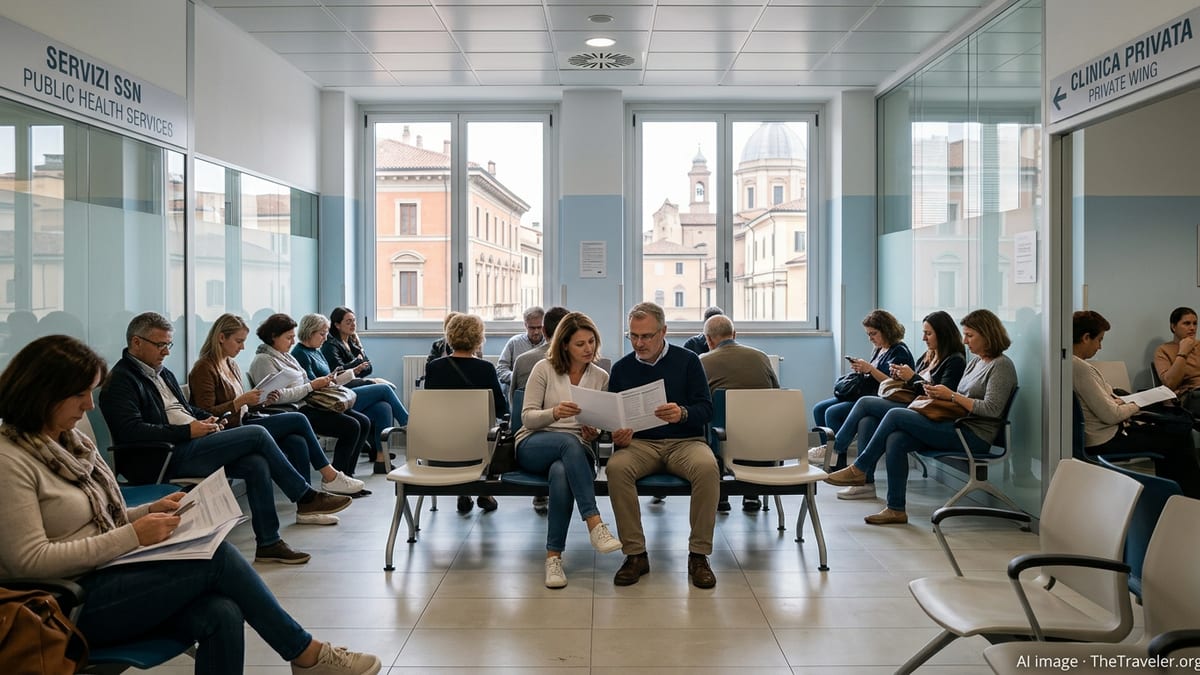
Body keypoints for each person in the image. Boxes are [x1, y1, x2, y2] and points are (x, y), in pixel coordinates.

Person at [0, 335, 381, 675]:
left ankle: (305, 653)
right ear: (42, 392)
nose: (89, 406)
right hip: (59, 605)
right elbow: (28, 563)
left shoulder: (72, 443)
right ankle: (306, 654)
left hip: (108, 571)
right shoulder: (10, 459)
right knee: (216, 557)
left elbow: (97, 517)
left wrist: (146, 513)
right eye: (80, 395)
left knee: (222, 612)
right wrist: (133, 535)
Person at [99, 312, 351, 564]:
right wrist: (188, 431)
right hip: (163, 455)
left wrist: (207, 421)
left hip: (191, 441)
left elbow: (188, 409)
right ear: (136, 342)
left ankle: (268, 543)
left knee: (256, 464)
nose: (166, 351)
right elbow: (132, 431)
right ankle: (306, 497)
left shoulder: (161, 373)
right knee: (258, 433)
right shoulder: (121, 381)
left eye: (168, 344)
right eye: (160, 345)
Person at [825, 309, 1017, 525]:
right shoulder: (976, 362)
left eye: (970, 336)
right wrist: (942, 393)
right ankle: (895, 509)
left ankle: (859, 468)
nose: (965, 341)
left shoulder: (1001, 366)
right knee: (896, 439)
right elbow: (959, 397)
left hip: (973, 434)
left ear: (988, 335)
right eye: (964, 335)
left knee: (895, 414)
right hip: (954, 424)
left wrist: (951, 395)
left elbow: (991, 409)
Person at [188, 313, 364, 498]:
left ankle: (307, 502)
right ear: (221, 338)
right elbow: (206, 414)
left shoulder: (230, 364)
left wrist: (262, 401)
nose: (243, 347)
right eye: (239, 341)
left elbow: (245, 405)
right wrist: (241, 401)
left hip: (247, 417)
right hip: (230, 428)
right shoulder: (204, 368)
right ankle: (329, 477)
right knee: (299, 418)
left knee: (297, 442)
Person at [606, 302, 719, 589]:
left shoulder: (689, 360)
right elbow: (612, 418)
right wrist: (615, 435)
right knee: (616, 468)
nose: (639, 343)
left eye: (646, 336)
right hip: (641, 444)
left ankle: (698, 555)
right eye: (633, 336)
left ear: (664, 332)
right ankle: (635, 554)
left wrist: (682, 413)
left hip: (685, 441)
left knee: (707, 468)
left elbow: (706, 410)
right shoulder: (621, 369)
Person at [516, 312, 622, 588]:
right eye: (580, 344)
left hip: (577, 450)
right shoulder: (544, 369)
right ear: (564, 345)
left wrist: (594, 431)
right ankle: (594, 523)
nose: (588, 349)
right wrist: (554, 413)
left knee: (562, 470)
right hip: (535, 442)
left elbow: (600, 426)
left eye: (591, 342)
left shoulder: (600, 376)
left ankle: (553, 558)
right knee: (567, 443)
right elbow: (527, 418)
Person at [815, 310, 966, 501]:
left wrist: (912, 377)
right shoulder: (928, 356)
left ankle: (836, 450)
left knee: (864, 403)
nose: (923, 338)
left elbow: (941, 396)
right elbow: (915, 386)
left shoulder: (954, 361)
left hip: (924, 411)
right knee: (866, 421)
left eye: (928, 333)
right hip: (913, 404)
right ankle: (864, 483)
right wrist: (903, 377)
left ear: (943, 334)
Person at [1075, 310, 1200, 497]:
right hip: (1106, 437)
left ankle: (1175, 497)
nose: (1100, 347)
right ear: (1086, 338)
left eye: (1194, 323)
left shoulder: (1075, 365)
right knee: (1179, 438)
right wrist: (1136, 404)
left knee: (1175, 433)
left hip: (1108, 430)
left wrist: (1121, 401)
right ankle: (1190, 498)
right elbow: (1112, 415)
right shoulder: (1081, 368)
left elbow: (1107, 401)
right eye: (1099, 340)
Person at [247, 314, 372, 479]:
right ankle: (338, 477)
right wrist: (312, 386)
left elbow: (305, 381)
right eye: (289, 337)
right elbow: (274, 397)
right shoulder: (264, 360)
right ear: (273, 337)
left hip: (308, 403)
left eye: (293, 337)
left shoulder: (286, 356)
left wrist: (322, 383)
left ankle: (347, 475)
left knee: (363, 421)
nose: (292, 342)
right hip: (294, 409)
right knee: (351, 426)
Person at [292, 313, 408, 473]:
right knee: (384, 389)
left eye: (326, 333)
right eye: (322, 334)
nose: (325, 338)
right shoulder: (301, 353)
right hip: (325, 401)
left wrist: (351, 372)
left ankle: (381, 461)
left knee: (383, 408)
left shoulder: (317, 351)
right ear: (309, 332)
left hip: (336, 393)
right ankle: (408, 425)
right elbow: (314, 385)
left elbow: (331, 379)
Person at [424, 313, 509, 514]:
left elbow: (430, 407)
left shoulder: (434, 368)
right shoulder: (486, 369)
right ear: (479, 339)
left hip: (439, 447)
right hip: (478, 449)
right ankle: (485, 492)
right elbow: (501, 409)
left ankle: (464, 491)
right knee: (501, 434)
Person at [699, 313, 779, 513]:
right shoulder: (761, 357)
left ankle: (721, 496)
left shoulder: (703, 361)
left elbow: (699, 403)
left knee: (711, 422)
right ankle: (752, 495)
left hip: (722, 444)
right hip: (764, 442)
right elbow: (777, 395)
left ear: (708, 339)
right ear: (734, 334)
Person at [809, 309, 915, 441]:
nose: (870, 338)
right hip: (865, 393)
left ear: (886, 330)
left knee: (832, 413)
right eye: (868, 334)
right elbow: (872, 375)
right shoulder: (879, 349)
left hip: (879, 398)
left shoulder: (899, 352)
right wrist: (862, 369)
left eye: (873, 334)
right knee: (819, 409)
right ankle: (826, 451)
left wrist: (870, 369)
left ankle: (836, 454)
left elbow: (893, 385)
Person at [511, 305, 570, 514]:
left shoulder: (524, 360)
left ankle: (555, 546)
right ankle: (591, 517)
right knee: (567, 445)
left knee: (560, 468)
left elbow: (514, 402)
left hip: (533, 436)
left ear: (544, 331)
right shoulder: (586, 363)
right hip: (559, 435)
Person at [322, 306, 392, 388]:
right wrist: (357, 363)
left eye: (354, 321)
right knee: (384, 388)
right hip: (341, 385)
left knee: (386, 392)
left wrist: (358, 365)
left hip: (355, 380)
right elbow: (339, 372)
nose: (353, 325)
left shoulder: (352, 341)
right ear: (337, 325)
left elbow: (368, 368)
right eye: (348, 322)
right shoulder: (330, 345)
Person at [1154, 306, 1200, 417]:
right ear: (1174, 327)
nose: (1192, 328)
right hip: (1190, 396)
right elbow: (1169, 384)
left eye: (1195, 323)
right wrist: (1183, 352)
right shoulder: (1163, 350)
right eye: (1187, 323)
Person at [496, 306, 545, 387]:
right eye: (532, 328)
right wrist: (515, 378)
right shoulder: (514, 342)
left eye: (539, 327)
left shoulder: (549, 344)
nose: (536, 332)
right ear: (525, 325)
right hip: (517, 390)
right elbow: (501, 369)